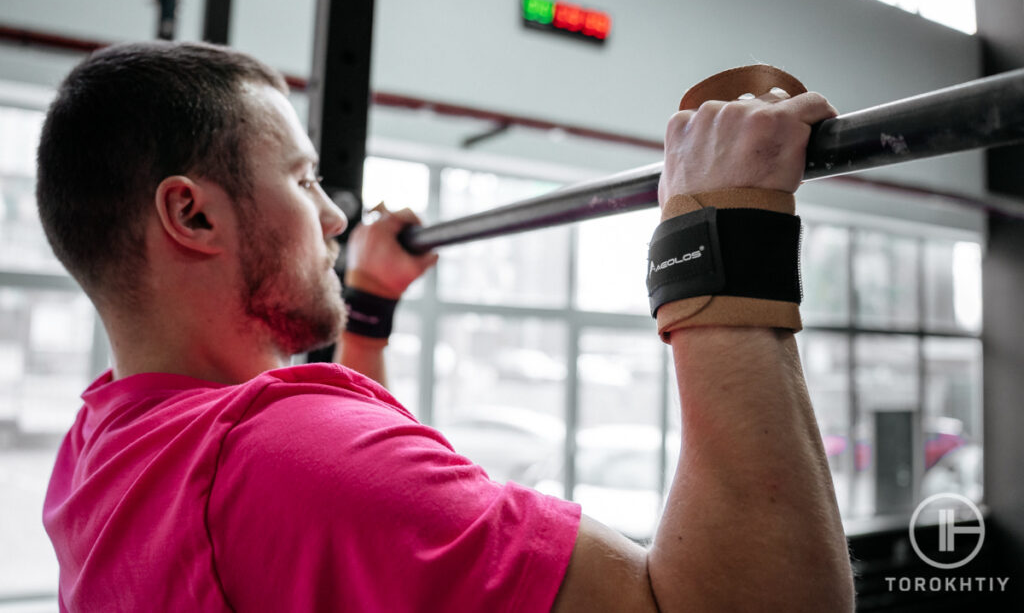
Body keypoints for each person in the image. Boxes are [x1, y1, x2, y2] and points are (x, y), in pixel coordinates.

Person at [37, 40, 854, 611]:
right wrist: (718, 234)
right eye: (302, 177)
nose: (332, 214)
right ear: (192, 213)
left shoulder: (93, 454)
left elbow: (369, 549)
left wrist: (367, 308)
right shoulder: (283, 462)